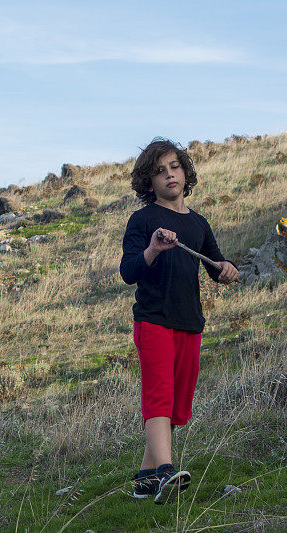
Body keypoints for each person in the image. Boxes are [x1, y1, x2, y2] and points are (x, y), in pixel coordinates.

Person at [119, 137, 239, 504]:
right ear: (148, 182)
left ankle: (143, 480)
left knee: (174, 407)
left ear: (186, 173)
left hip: (190, 323)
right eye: (159, 171)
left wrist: (227, 270)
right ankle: (165, 473)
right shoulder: (142, 220)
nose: (169, 175)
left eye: (174, 167)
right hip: (153, 321)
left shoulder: (199, 224)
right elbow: (128, 271)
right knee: (159, 397)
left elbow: (216, 266)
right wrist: (153, 248)